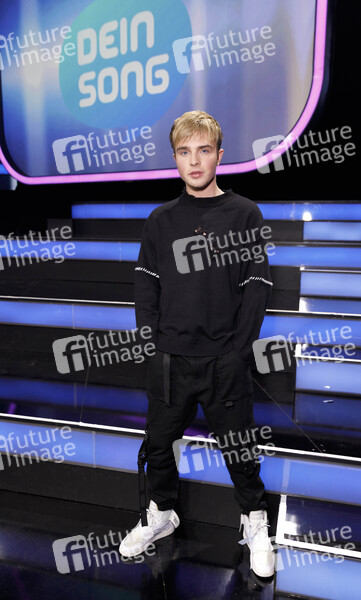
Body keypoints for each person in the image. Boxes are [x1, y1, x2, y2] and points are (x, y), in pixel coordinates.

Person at [119, 110, 275, 577]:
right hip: (170, 360)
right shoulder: (160, 220)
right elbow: (146, 286)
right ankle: (161, 513)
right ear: (175, 158)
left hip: (224, 360)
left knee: (239, 449)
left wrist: (238, 350)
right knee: (158, 444)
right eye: (184, 152)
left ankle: (255, 523)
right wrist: (153, 343)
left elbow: (257, 286)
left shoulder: (244, 213)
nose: (194, 160)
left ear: (218, 156)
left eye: (203, 150)